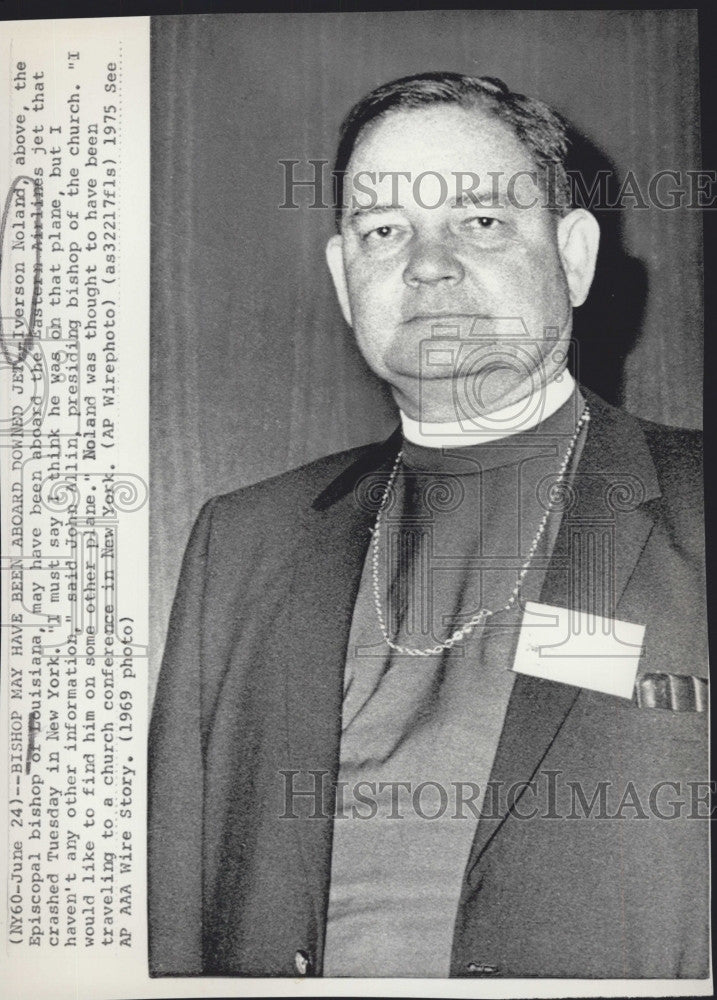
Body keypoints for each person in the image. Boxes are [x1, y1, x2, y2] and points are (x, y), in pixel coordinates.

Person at [148, 72, 708, 979]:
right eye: (382, 231)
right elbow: (173, 908)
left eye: (480, 221)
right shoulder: (243, 541)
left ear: (572, 255)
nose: (426, 263)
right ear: (343, 276)